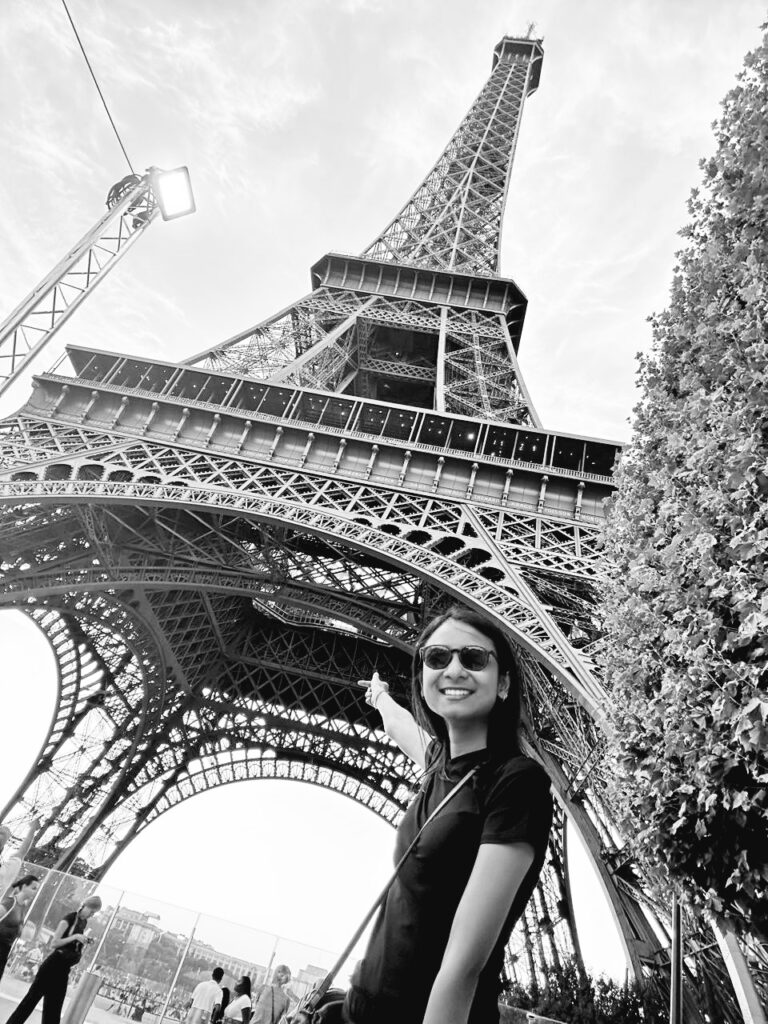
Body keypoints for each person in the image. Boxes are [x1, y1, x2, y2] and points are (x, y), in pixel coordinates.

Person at [345, 605, 553, 1024]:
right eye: (437, 658)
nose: (453, 669)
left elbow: (464, 963)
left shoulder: (515, 782)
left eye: (473, 659)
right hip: (359, 1006)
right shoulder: (439, 764)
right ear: (423, 678)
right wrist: (380, 696)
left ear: (504, 683)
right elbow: (398, 724)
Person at [4, 894, 102, 1024]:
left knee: (54, 1010)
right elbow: (54, 943)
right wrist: (75, 937)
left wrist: (83, 941)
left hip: (63, 969)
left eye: (94, 913)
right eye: (91, 911)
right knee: (30, 1002)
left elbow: (72, 944)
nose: (92, 915)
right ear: (85, 906)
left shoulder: (83, 923)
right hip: (52, 966)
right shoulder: (69, 919)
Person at [0, 874, 40, 981]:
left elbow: (16, 928)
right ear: (24, 887)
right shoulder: (10, 902)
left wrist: (22, 931)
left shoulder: (22, 906)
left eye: (36, 889)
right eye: (33, 888)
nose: (35, 891)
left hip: (5, 950)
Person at [0, 820, 40, 900]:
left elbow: (21, 853)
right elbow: (21, 852)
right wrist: (32, 828)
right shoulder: (5, 872)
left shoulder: (5, 872)